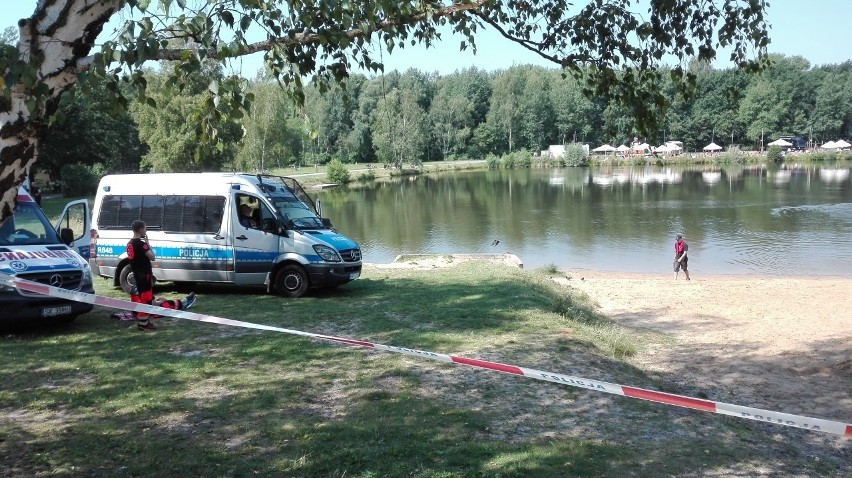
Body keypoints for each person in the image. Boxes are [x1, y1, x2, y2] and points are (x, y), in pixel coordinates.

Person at [127, 220, 196, 330]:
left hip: (136, 274)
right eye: (145, 228)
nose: (145, 231)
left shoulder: (130, 243)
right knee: (146, 299)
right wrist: (147, 244)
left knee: (146, 299)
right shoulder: (141, 244)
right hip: (144, 275)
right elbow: (152, 257)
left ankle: (145, 322)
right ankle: (143, 324)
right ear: (140, 229)